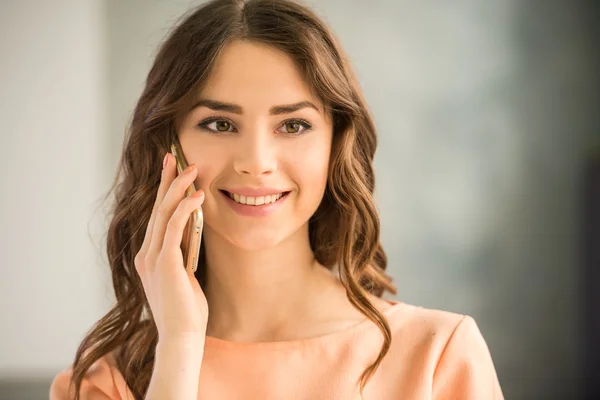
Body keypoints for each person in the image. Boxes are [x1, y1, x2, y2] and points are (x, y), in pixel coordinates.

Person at [49, 0, 504, 399]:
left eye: (292, 125)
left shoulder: (438, 357)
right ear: (167, 146)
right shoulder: (102, 384)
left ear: (335, 145)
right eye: (219, 124)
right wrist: (180, 348)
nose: (256, 162)